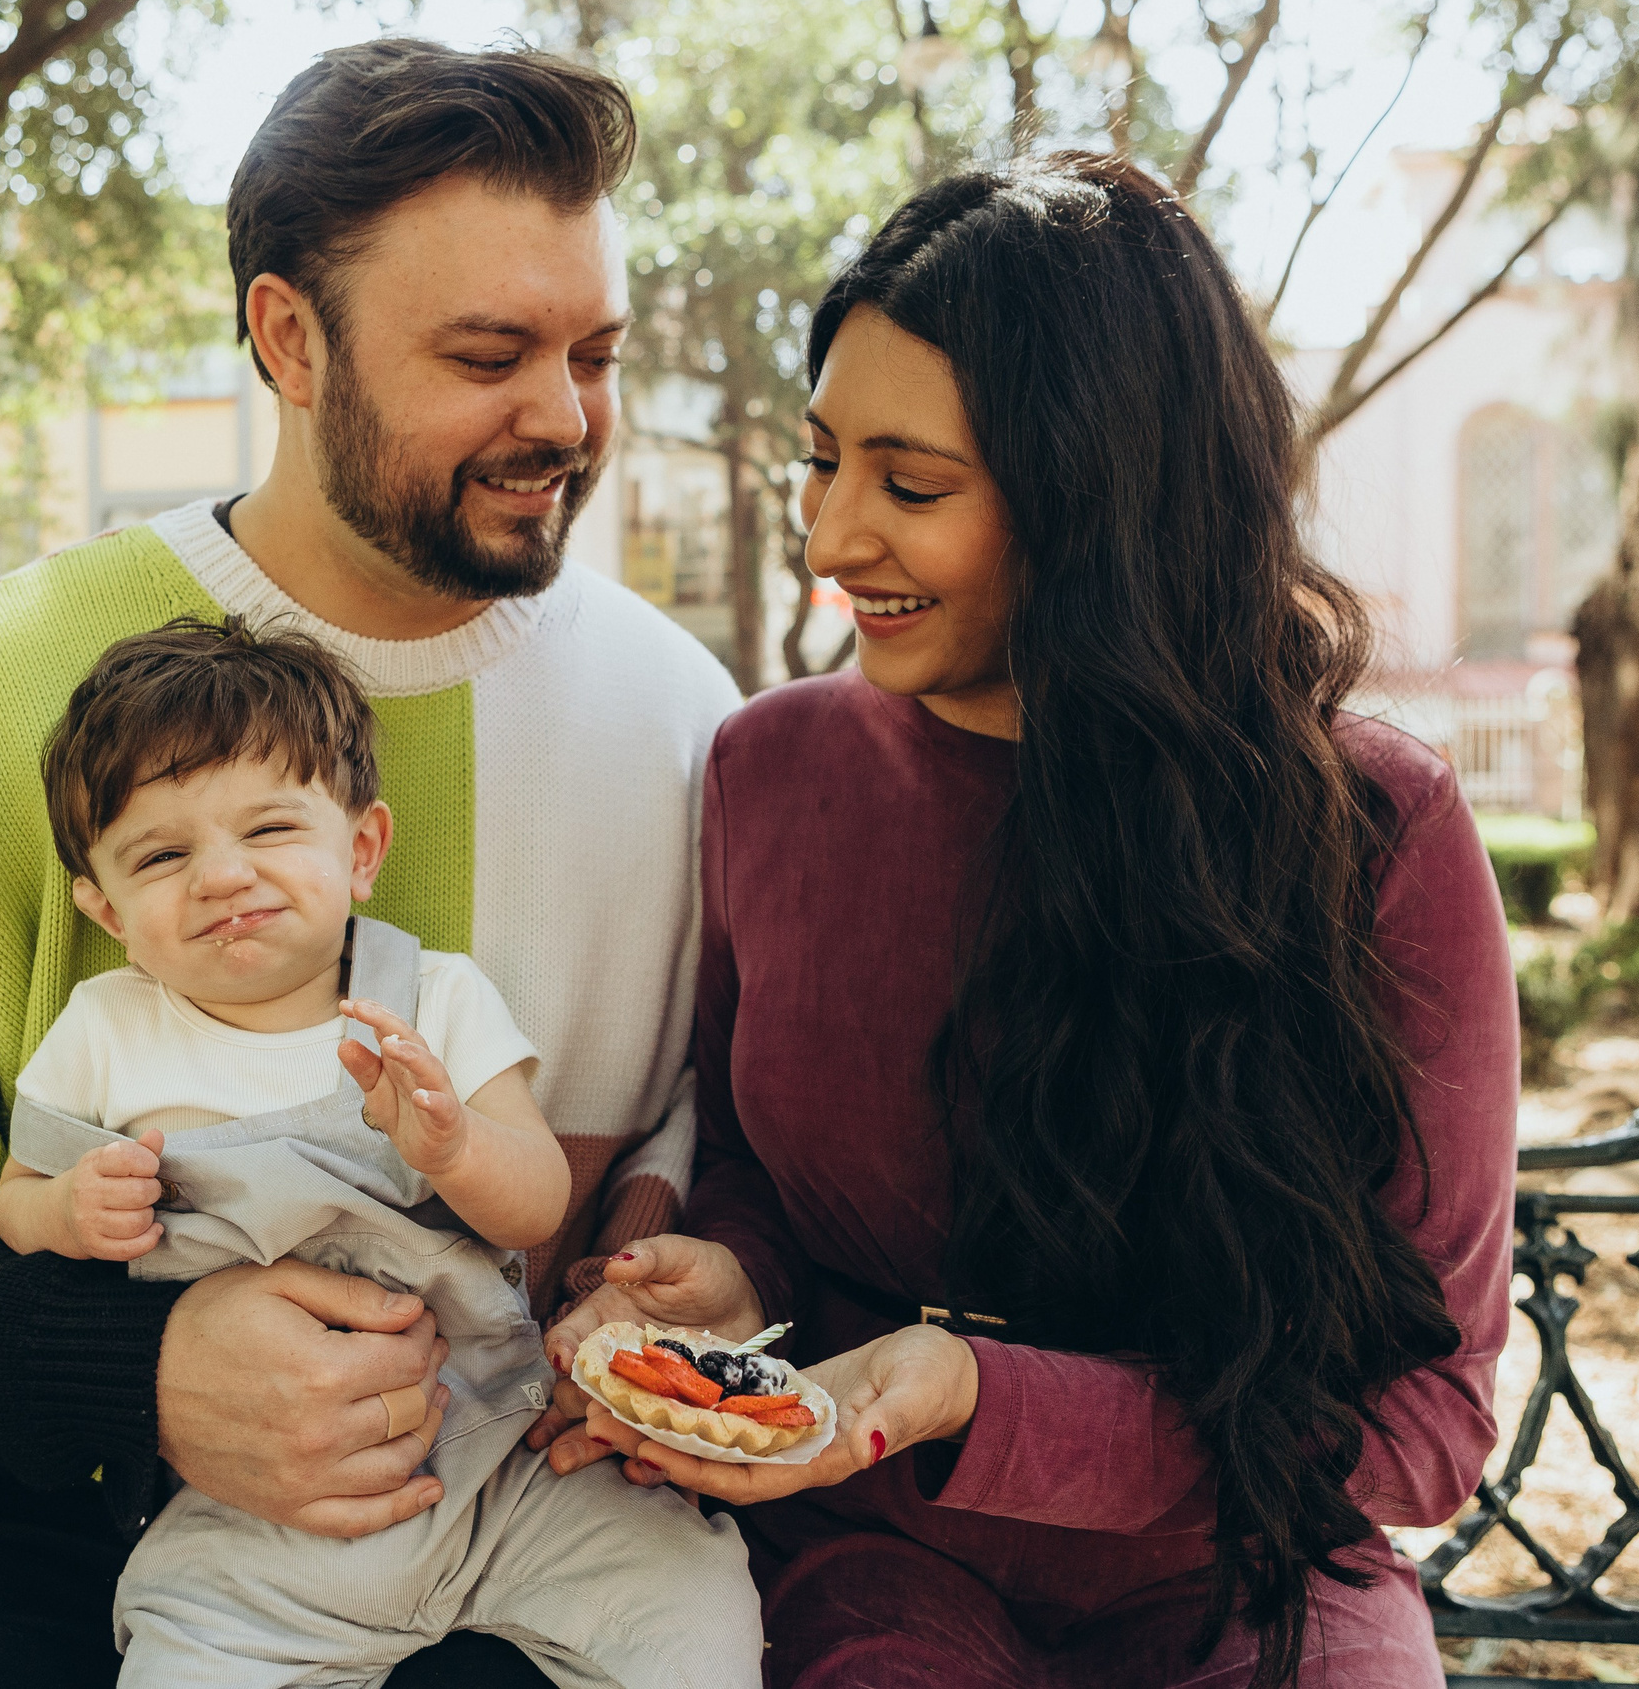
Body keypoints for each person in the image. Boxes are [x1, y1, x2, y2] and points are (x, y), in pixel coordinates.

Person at [0, 40, 740, 1689]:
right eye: (488, 354)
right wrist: (141, 1365)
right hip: (41, 1499)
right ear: (290, 339)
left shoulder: (688, 719)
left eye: (595, 354)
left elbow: (734, 1147)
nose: (562, 418)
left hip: (524, 1500)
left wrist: (687, 1284)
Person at [535, 155, 1519, 1687]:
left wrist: (981, 1396)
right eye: (822, 462)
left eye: (912, 486)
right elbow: (757, 1168)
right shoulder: (767, 769)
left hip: (1248, 1565)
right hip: (866, 1550)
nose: (830, 540)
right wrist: (734, 1279)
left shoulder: (1373, 827)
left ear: (1100, 496)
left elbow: (1423, 1424)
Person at [0, 616, 758, 1687]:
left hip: (502, 1462)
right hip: (260, 1514)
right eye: (162, 855)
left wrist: (456, 1145)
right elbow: (15, 1199)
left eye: (269, 829)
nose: (222, 875)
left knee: (691, 1603)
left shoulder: (433, 999)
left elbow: (536, 1204)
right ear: (106, 908)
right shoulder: (106, 1030)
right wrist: (69, 1211)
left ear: (360, 851)